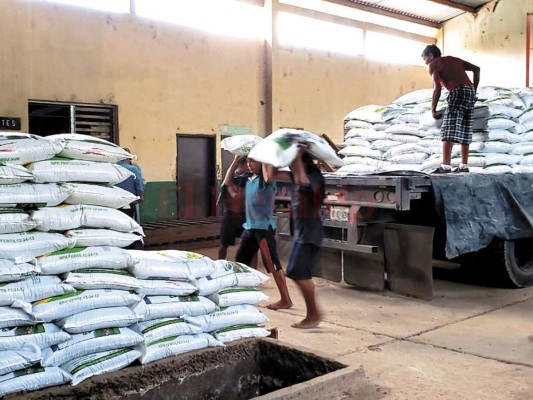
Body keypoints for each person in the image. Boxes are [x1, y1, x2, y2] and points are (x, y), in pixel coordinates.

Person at [266, 148, 325, 329]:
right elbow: (272, 175)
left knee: (295, 271)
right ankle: (313, 313)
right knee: (302, 273)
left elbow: (302, 182)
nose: (289, 164)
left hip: (310, 233)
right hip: (302, 233)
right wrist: (269, 157)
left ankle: (313, 314)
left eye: (291, 161)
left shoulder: (313, 178)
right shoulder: (298, 175)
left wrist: (296, 155)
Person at [227, 155, 293, 311]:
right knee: (241, 260)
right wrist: (236, 161)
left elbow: (269, 176)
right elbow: (227, 182)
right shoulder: (247, 179)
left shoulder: (268, 181)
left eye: (253, 161)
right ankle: (245, 294)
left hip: (264, 229)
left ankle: (286, 299)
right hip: (249, 228)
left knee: (272, 264)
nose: (249, 164)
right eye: (248, 161)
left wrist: (264, 156)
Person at [421, 44, 480, 174]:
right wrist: (473, 90)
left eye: (424, 58)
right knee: (465, 126)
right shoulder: (454, 59)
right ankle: (464, 166)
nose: (425, 62)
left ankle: (445, 166)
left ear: (430, 56)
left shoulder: (434, 64)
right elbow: (477, 69)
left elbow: (437, 88)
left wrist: (433, 110)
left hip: (457, 91)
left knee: (449, 128)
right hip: (469, 92)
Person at [217, 156, 250, 260]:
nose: (249, 166)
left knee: (249, 243)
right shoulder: (232, 177)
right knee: (224, 244)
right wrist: (235, 161)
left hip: (244, 215)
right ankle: (220, 264)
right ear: (241, 164)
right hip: (231, 215)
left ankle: (249, 268)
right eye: (247, 164)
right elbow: (226, 184)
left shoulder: (249, 177)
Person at [116, 148, 145, 224]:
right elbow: (138, 184)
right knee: (130, 219)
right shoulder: (133, 169)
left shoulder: (113, 168)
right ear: (128, 157)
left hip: (115, 200)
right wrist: (140, 195)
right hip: (130, 200)